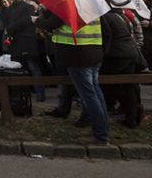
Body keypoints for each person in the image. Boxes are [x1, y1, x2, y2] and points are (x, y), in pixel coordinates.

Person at [33, 11, 109, 145]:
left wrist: (35, 20)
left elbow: (51, 24)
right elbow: (107, 31)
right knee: (96, 93)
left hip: (78, 56)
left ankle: (101, 135)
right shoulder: (91, 6)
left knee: (89, 96)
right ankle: (103, 130)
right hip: (94, 54)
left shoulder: (69, 6)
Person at [100, 7, 142, 128]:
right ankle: (132, 116)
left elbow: (107, 37)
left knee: (108, 84)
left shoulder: (105, 18)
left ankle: (112, 108)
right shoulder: (121, 17)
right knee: (129, 86)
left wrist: (104, 54)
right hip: (130, 54)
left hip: (117, 55)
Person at [3, 0, 45, 102]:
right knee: (20, 69)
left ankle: (40, 93)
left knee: (33, 67)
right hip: (15, 43)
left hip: (27, 41)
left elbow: (26, 20)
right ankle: (24, 93)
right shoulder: (10, 9)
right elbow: (6, 21)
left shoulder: (27, 7)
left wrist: (11, 28)